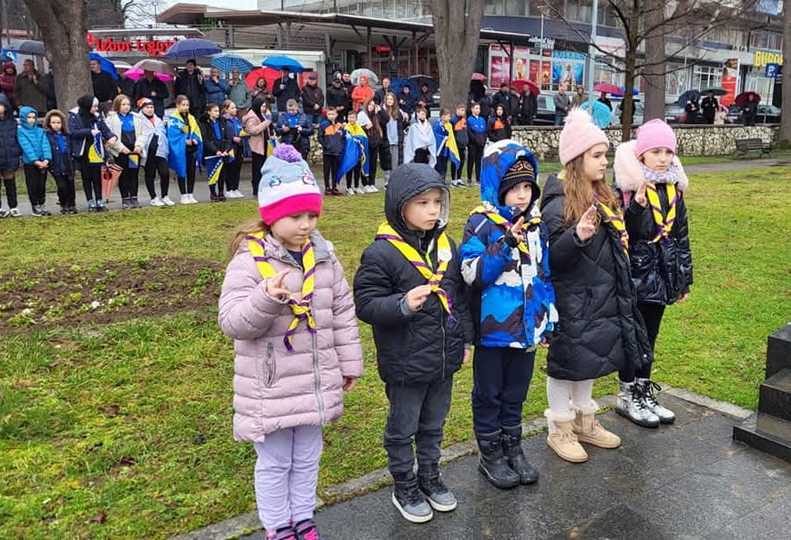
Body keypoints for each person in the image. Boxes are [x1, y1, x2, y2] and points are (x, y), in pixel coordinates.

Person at [219, 143, 363, 540]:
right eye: (295, 216)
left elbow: (342, 312)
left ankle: (302, 517)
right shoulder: (249, 262)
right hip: (273, 385)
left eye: (312, 215)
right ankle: (278, 525)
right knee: (275, 461)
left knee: (308, 457)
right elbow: (232, 322)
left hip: (314, 380)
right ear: (271, 215)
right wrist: (266, 297)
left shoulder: (325, 257)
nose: (306, 225)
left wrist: (349, 363)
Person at [353, 163, 473, 524]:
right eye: (422, 203)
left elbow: (458, 299)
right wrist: (402, 305)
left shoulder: (446, 247)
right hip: (405, 363)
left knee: (434, 424)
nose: (433, 210)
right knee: (402, 428)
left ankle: (430, 477)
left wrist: (465, 340)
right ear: (399, 205)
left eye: (437, 202)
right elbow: (366, 304)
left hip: (442, 358)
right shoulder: (381, 254)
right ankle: (404, 484)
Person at [538, 109, 651, 463]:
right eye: (597, 156)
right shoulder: (557, 205)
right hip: (571, 299)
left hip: (599, 295)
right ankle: (560, 428)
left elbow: (617, 240)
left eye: (605, 155)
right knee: (565, 363)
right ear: (576, 160)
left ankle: (584, 421)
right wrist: (577, 236)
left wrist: (635, 213)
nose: (605, 162)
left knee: (588, 358)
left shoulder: (602, 196)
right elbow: (551, 258)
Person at [459, 139, 556, 489]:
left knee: (516, 392)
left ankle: (513, 447)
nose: (522, 195)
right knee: (489, 393)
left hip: (526, 330)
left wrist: (548, 319)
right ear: (498, 188)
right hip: (493, 332)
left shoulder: (537, 226)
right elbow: (472, 273)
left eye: (527, 187)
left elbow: (544, 275)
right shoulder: (481, 224)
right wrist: (506, 244)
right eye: (514, 188)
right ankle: (490, 454)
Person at [612, 119, 692, 427]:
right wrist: (635, 208)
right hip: (635, 273)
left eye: (668, 152)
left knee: (651, 335)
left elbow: (681, 237)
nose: (663, 158)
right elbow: (620, 232)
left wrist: (683, 279)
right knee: (633, 335)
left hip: (663, 271)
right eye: (656, 151)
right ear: (642, 154)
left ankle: (644, 391)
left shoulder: (674, 190)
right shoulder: (627, 188)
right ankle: (626, 394)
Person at [69, 95, 116, 212]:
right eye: (94, 106)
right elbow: (73, 132)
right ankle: (90, 201)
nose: (96, 109)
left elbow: (105, 129)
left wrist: (112, 137)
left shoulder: (97, 116)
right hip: (84, 151)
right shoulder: (75, 116)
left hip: (97, 150)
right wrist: (89, 132)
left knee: (97, 177)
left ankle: (99, 200)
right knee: (86, 177)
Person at [104, 95, 146, 209]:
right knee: (124, 174)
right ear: (117, 105)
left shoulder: (136, 118)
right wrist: (121, 148)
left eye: (128, 104)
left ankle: (134, 197)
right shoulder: (111, 119)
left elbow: (143, 133)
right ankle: (125, 199)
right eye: (123, 105)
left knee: (133, 173)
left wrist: (139, 145)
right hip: (121, 151)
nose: (126, 107)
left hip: (133, 150)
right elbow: (110, 135)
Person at [167, 95, 203, 205]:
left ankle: (190, 193)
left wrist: (195, 139)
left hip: (191, 149)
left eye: (187, 105)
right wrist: (184, 140)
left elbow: (196, 131)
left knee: (191, 171)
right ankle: (183, 194)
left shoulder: (191, 118)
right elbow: (172, 135)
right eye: (183, 105)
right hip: (180, 149)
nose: (186, 107)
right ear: (177, 105)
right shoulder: (173, 119)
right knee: (181, 171)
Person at [137, 98, 173, 207]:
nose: (150, 109)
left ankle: (165, 195)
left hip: (160, 150)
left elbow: (163, 132)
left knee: (165, 172)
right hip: (148, 151)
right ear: (142, 109)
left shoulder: (158, 120)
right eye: (147, 107)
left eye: (151, 107)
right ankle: (153, 197)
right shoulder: (138, 120)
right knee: (150, 174)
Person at [18, 106, 52, 215]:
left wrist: (46, 159)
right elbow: (26, 147)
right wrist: (35, 161)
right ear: (23, 118)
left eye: (33, 117)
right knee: (33, 185)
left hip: (43, 162)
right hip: (30, 163)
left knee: (42, 185)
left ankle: (42, 203)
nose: (31, 120)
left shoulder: (40, 131)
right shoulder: (21, 132)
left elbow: (45, 145)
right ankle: (35, 205)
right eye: (29, 117)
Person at [44, 109, 76, 214]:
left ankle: (72, 204)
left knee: (70, 184)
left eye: (58, 122)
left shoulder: (66, 135)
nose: (56, 125)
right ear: (49, 123)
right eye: (53, 122)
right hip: (56, 163)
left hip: (67, 161)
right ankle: (63, 204)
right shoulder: (47, 135)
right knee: (62, 186)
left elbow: (71, 148)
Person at [199, 102, 232, 202]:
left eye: (218, 111)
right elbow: (205, 139)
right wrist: (215, 150)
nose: (217, 113)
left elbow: (227, 137)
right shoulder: (203, 123)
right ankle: (213, 193)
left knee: (222, 173)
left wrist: (226, 149)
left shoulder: (222, 121)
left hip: (222, 150)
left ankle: (221, 192)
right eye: (215, 111)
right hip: (211, 152)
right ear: (209, 112)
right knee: (213, 173)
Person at [243, 97, 275, 197]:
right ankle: (256, 188)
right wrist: (265, 123)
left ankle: (263, 186)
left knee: (263, 166)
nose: (264, 108)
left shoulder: (261, 114)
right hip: (256, 145)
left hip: (264, 143)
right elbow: (253, 130)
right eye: (262, 106)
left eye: (265, 106)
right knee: (257, 168)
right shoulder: (251, 117)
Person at [221, 99, 246, 199]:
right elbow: (224, 133)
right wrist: (232, 138)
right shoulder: (224, 120)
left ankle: (235, 188)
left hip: (238, 146)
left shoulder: (236, 120)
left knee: (237, 168)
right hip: (230, 147)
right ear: (226, 109)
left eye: (235, 107)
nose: (235, 109)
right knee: (230, 168)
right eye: (232, 108)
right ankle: (229, 189)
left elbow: (240, 130)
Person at [318, 108, 345, 195]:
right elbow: (320, 137)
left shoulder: (340, 126)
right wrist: (326, 145)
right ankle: (327, 187)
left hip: (337, 152)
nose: (331, 116)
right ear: (326, 115)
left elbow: (343, 138)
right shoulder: (323, 125)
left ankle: (334, 187)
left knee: (335, 170)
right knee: (326, 170)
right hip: (328, 152)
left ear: (336, 115)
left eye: (333, 114)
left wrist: (341, 147)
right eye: (329, 114)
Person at [357, 100, 382, 193]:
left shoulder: (375, 116)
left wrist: (380, 112)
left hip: (374, 142)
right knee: (365, 163)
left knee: (373, 164)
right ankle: (365, 184)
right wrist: (365, 128)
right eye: (370, 104)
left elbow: (384, 121)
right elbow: (358, 128)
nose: (371, 106)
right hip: (366, 143)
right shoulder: (362, 115)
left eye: (373, 105)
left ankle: (372, 183)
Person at [380, 91, 405, 186]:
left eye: (391, 99)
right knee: (387, 163)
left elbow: (403, 124)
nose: (389, 101)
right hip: (386, 141)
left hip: (396, 140)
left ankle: (395, 181)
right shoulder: (382, 111)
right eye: (388, 99)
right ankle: (387, 182)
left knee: (396, 163)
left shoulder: (398, 112)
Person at [466, 102, 487, 186]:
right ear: (472, 109)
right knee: (471, 161)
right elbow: (469, 132)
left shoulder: (482, 120)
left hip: (481, 144)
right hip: (473, 145)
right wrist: (475, 141)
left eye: (479, 108)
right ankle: (469, 179)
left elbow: (484, 132)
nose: (478, 110)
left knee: (479, 162)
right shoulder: (469, 120)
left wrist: (483, 141)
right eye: (476, 108)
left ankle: (478, 179)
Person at [432, 108, 455, 181]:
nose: (449, 118)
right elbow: (436, 136)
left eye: (449, 116)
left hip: (446, 149)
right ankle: (437, 180)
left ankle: (443, 180)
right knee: (438, 165)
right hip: (439, 150)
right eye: (448, 116)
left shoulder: (449, 125)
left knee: (444, 166)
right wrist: (444, 138)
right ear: (442, 116)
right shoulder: (437, 126)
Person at [450, 103, 469, 186]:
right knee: (455, 162)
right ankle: (453, 179)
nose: (463, 112)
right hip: (456, 145)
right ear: (457, 110)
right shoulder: (453, 121)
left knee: (462, 161)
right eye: (461, 110)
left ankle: (459, 178)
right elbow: (452, 134)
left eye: (464, 110)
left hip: (462, 144)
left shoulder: (464, 121)